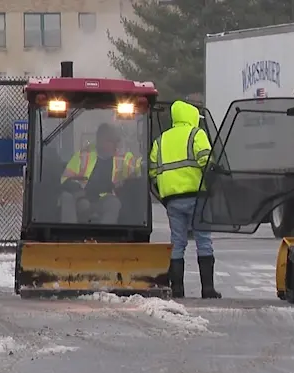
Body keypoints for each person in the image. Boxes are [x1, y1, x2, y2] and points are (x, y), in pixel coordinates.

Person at [149, 101, 221, 299]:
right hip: (197, 196)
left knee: (177, 242)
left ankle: (177, 288)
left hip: (172, 200)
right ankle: (207, 289)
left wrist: (164, 193)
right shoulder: (195, 134)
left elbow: (153, 171)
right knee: (204, 241)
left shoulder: (161, 140)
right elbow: (206, 161)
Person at [60, 123, 143, 224]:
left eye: (114, 141)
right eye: (108, 140)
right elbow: (65, 179)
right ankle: (68, 234)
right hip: (82, 197)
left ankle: (106, 235)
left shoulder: (124, 158)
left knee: (114, 203)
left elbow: (138, 168)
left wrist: (140, 169)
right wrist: (79, 194)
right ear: (99, 140)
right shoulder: (83, 155)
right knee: (66, 197)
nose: (112, 145)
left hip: (106, 198)